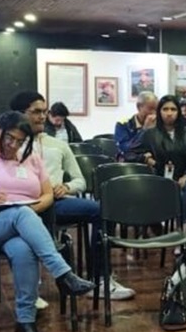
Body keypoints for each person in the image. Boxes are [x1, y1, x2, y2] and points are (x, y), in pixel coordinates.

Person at [0, 111, 95, 332]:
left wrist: (31, 212)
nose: (13, 145)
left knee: (23, 247)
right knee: (21, 215)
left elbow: (47, 194)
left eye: (19, 141)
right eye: (9, 138)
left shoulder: (32, 160)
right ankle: (63, 273)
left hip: (22, 225)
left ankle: (25, 322)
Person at [10, 91, 134, 301]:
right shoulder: (9, 144)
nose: (42, 116)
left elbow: (80, 181)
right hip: (22, 206)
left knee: (101, 210)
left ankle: (101, 279)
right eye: (36, 112)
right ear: (20, 114)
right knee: (30, 214)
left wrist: (66, 187)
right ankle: (31, 287)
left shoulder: (57, 145)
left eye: (44, 112)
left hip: (56, 202)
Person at [141, 94, 186, 223]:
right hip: (157, 179)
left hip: (181, 180)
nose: (169, 113)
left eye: (173, 109)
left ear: (178, 112)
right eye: (165, 109)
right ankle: (154, 226)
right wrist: (146, 158)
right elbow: (131, 153)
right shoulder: (150, 134)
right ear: (159, 111)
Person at [115, 91, 157, 162]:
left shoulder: (159, 124)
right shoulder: (123, 125)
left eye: (156, 109)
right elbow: (126, 148)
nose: (154, 113)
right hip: (131, 163)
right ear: (138, 107)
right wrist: (144, 130)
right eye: (150, 109)